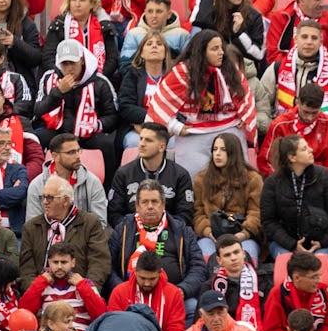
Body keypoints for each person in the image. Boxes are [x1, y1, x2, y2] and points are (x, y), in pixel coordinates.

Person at [145, 29, 256, 175]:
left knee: (237, 180)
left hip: (229, 131)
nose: (221, 52)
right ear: (202, 51)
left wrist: (244, 116)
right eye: (215, 49)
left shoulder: (230, 69)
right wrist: (176, 127)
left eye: (221, 47)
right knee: (193, 183)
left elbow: (245, 96)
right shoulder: (182, 72)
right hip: (193, 135)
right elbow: (159, 105)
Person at [108, 180, 206, 309]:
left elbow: (198, 267)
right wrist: (122, 289)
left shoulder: (182, 230)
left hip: (172, 296)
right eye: (145, 202)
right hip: (131, 294)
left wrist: (183, 290)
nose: (150, 206)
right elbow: (108, 266)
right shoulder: (123, 229)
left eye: (154, 202)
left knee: (192, 306)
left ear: (163, 204)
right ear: (137, 206)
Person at [18, 175, 112, 289]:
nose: (44, 202)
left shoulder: (90, 223)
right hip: (41, 294)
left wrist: (87, 290)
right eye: (43, 197)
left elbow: (99, 262)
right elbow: (26, 269)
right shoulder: (31, 227)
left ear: (66, 200)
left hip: (79, 292)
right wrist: (35, 292)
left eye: (50, 198)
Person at [33, 37, 121, 158]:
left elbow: (113, 116)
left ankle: (110, 177)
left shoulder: (100, 82)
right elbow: (37, 110)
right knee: (38, 139)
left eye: (73, 63)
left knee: (106, 144)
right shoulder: (49, 78)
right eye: (65, 63)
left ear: (82, 60)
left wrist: (96, 124)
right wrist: (58, 92)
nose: (69, 68)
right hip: (58, 131)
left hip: (89, 133)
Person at [108, 122, 196, 229]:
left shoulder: (180, 175)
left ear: (162, 147)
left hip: (168, 236)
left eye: (148, 140)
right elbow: (114, 214)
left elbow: (185, 215)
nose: (142, 144)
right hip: (132, 234)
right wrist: (136, 229)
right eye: (141, 139)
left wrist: (159, 229)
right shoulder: (123, 173)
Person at [259, 82, 328, 179]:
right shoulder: (280, 125)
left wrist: (322, 183)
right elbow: (266, 161)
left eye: (314, 113)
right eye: (306, 112)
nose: (309, 118)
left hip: (320, 182)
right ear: (297, 102)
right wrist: (283, 182)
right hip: (286, 181)